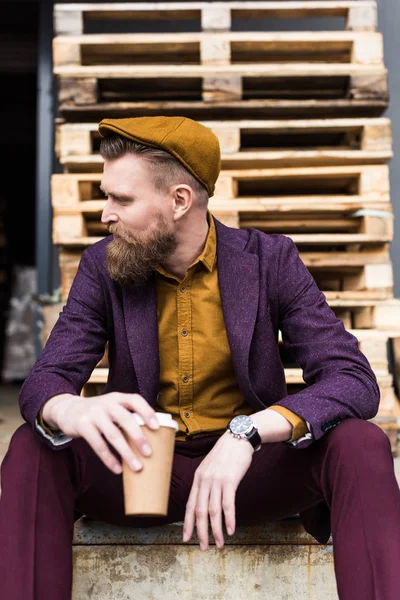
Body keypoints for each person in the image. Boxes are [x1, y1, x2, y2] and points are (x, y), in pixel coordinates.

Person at [0, 115, 399, 599]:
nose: (105, 214)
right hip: (140, 472)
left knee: (361, 443)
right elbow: (45, 380)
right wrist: (73, 408)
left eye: (121, 199)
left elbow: (352, 379)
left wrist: (248, 433)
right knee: (33, 445)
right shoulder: (101, 266)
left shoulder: (270, 260)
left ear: (179, 200)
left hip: (246, 474)